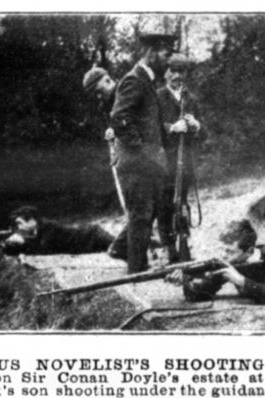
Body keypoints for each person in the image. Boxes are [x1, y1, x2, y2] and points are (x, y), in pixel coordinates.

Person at [108, 32, 177, 273]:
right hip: (137, 166)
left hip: (147, 165)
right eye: (166, 55)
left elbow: (150, 125)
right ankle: (135, 272)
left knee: (146, 218)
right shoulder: (134, 80)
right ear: (151, 52)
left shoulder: (147, 82)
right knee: (141, 219)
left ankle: (138, 266)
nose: (169, 61)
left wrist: (170, 135)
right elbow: (119, 117)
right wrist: (143, 149)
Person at [156, 54, 207, 262]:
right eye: (173, 71)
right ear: (166, 72)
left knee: (183, 203)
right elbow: (150, 128)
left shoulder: (191, 99)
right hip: (163, 161)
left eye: (182, 72)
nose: (177, 76)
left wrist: (197, 126)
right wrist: (171, 128)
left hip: (185, 161)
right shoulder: (157, 97)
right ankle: (168, 247)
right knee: (164, 203)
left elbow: (205, 134)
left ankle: (184, 243)